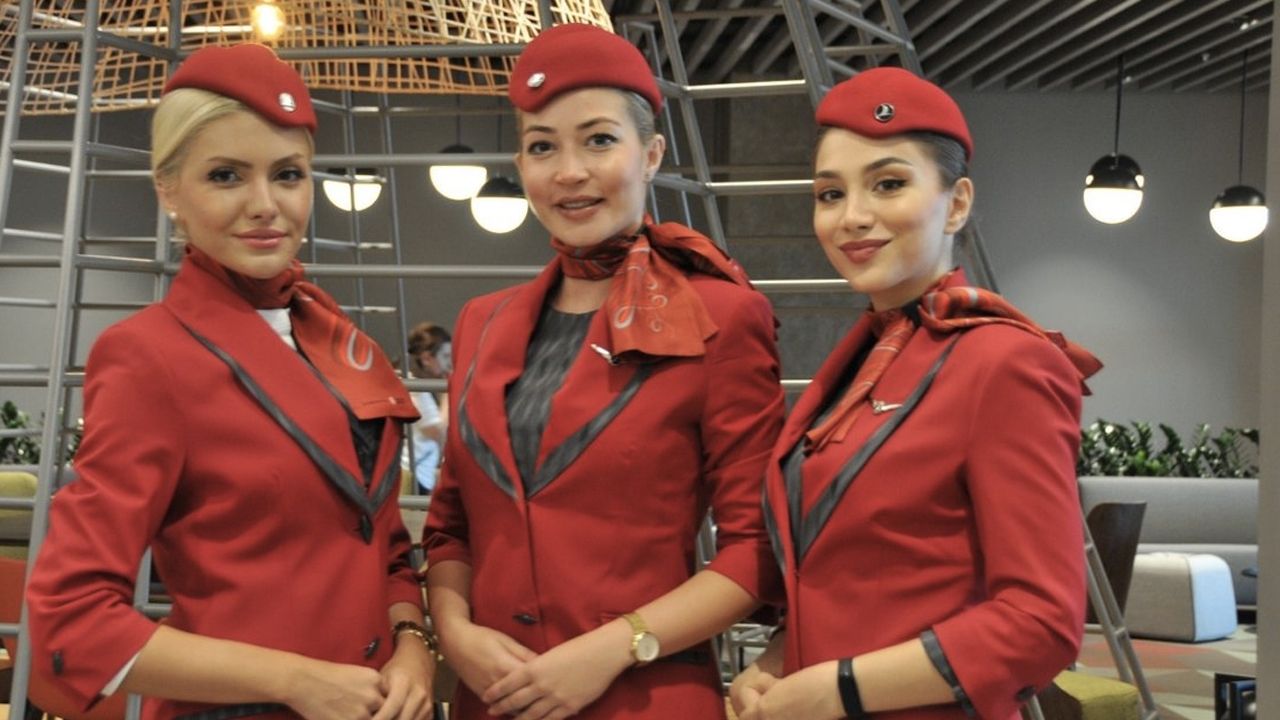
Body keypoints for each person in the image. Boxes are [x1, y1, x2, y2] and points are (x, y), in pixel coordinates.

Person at [25, 44, 435, 720]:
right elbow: (70, 621)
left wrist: (413, 644)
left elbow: (383, 541)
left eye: (288, 174)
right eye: (225, 176)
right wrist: (295, 681)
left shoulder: (341, 342)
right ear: (168, 191)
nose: (265, 205)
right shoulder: (148, 357)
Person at [422, 22, 786, 720]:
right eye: (542, 147)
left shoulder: (720, 315)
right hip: (494, 699)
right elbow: (451, 524)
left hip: (643, 697)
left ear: (650, 154)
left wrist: (619, 645)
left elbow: (756, 550)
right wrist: (455, 631)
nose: (568, 172)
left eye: (598, 140)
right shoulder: (481, 322)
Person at [729, 67, 1103, 720]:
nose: (853, 217)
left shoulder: (1004, 362)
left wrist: (839, 687)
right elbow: (855, 573)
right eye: (830, 194)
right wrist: (778, 658)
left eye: (889, 184)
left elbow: (1041, 621)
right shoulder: (867, 360)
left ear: (956, 204)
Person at [403, 322, 452, 493]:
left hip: (417, 474)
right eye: (445, 356)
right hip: (414, 476)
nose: (449, 363)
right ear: (426, 359)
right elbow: (439, 433)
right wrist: (449, 389)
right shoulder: (416, 391)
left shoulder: (413, 383)